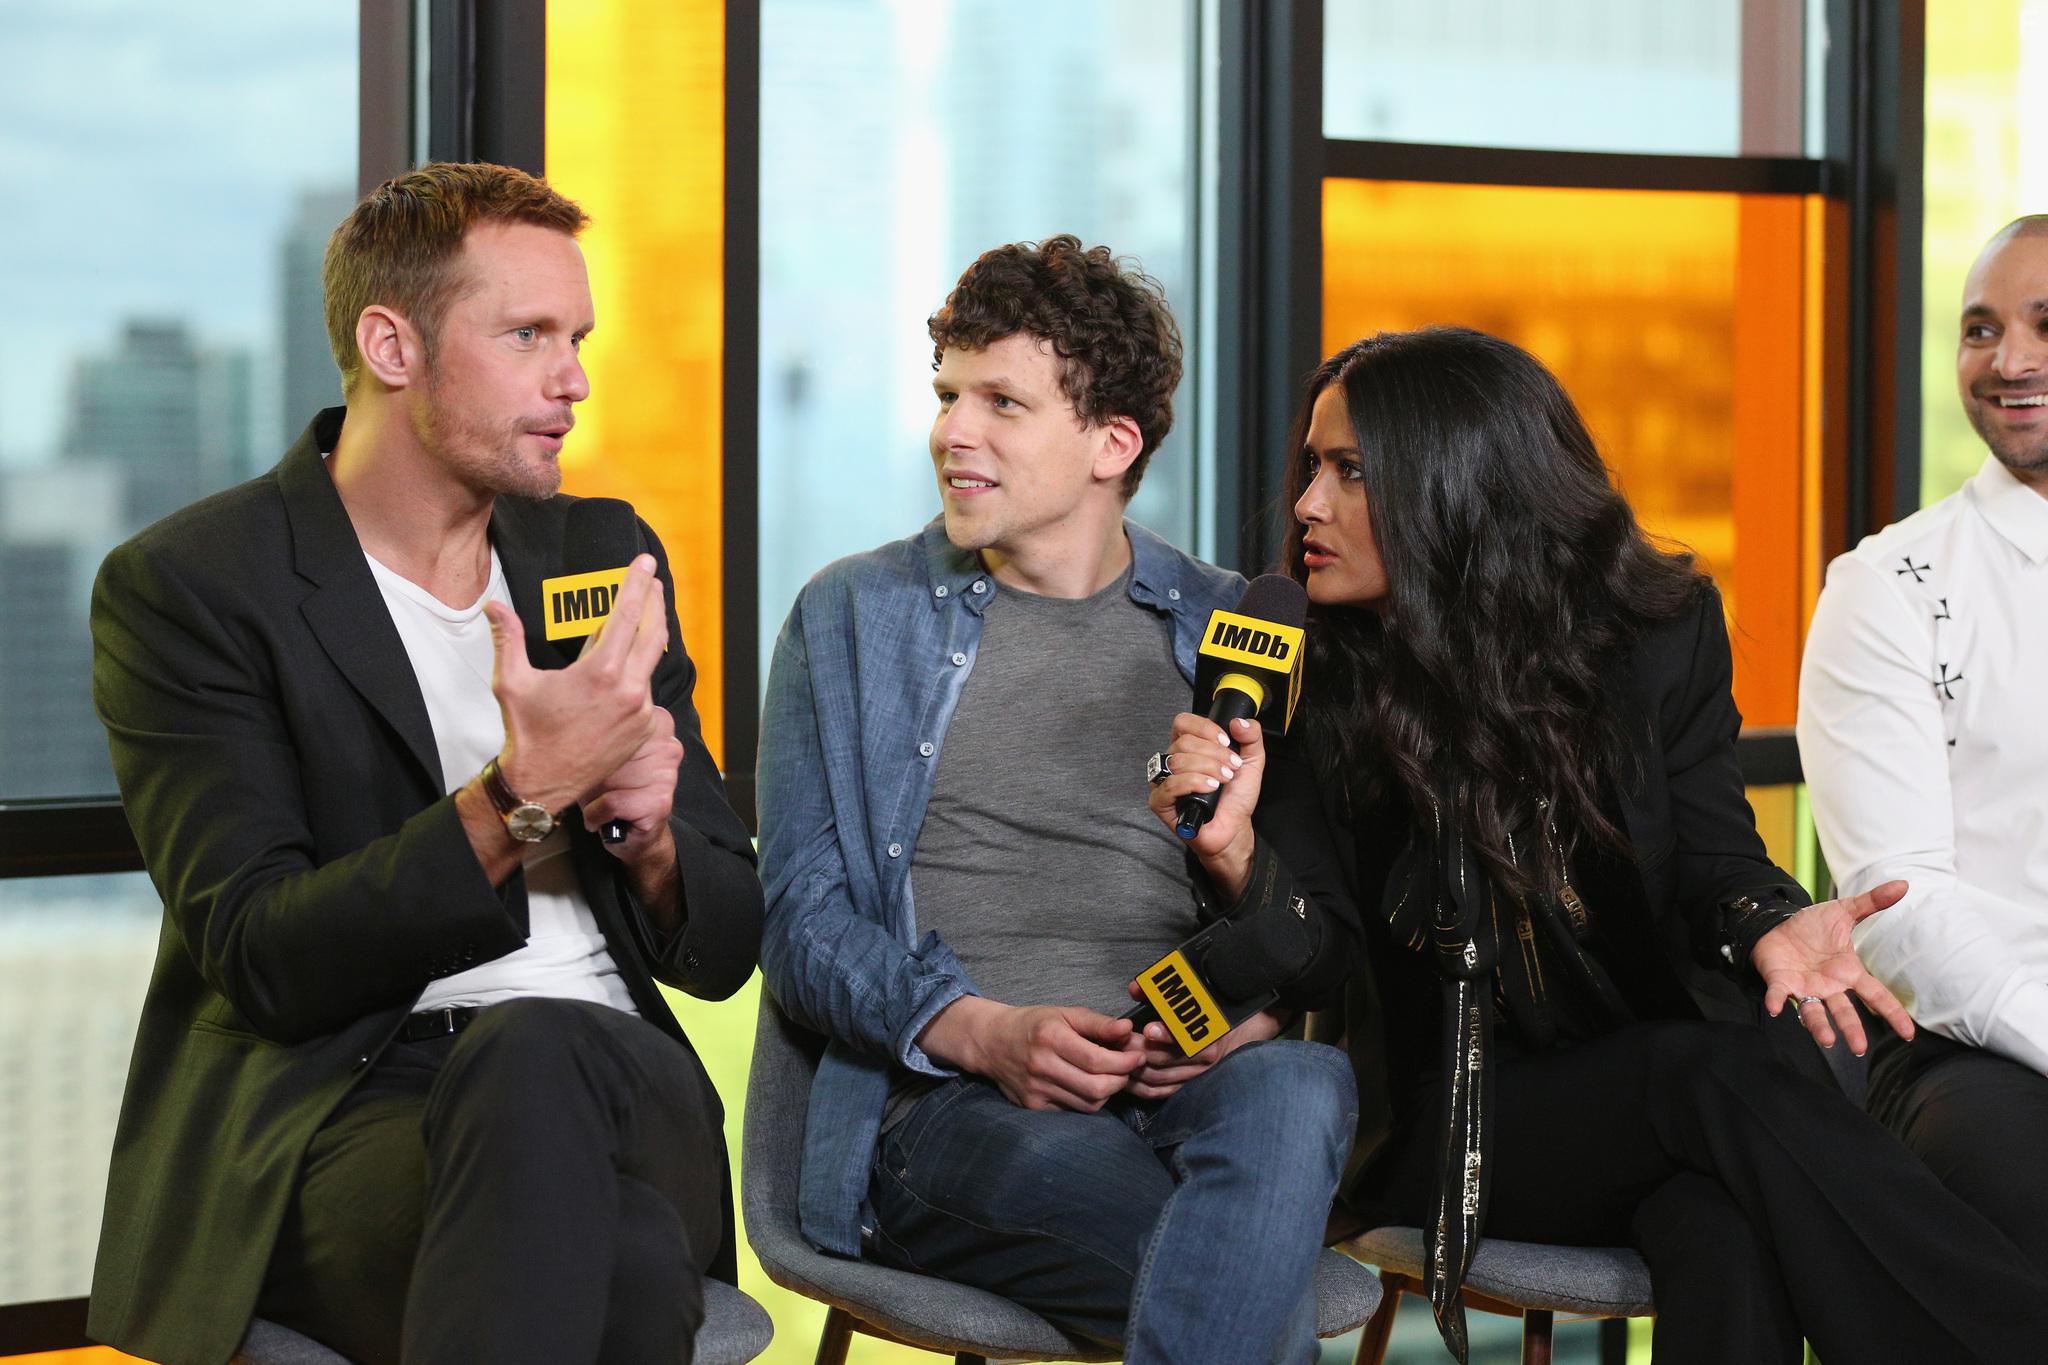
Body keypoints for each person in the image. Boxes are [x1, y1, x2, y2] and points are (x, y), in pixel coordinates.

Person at [1145, 325, 2048, 1364]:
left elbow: (1714, 856)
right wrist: (1231, 853)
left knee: (1721, 1226)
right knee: (1708, 1078)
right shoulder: (1309, 672)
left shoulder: (1655, 632)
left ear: (1461, 484)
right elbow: (1318, 956)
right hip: (1459, 1120)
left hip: (1670, 1097)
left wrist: (1766, 923)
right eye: (1313, 466)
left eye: (1349, 472)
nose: (1306, 503)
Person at [86, 163, 762, 1365]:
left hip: (617, 1087)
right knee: (624, 1270)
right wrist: (518, 797)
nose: (575, 381)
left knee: (536, 1047)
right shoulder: (193, 589)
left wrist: (651, 837)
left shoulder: (598, 554)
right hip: (343, 1108)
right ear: (391, 346)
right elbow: (263, 958)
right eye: (528, 336)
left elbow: (723, 947)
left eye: (578, 338)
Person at [756, 235, 1358, 1365]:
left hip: (1182, 1089)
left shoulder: (1234, 627)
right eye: (946, 397)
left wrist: (1253, 1012)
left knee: (1302, 1082)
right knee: (1204, 1249)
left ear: (1110, 443)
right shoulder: (850, 618)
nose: (951, 433)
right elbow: (799, 924)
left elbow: (1312, 922)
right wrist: (982, 1033)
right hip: (948, 1108)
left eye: (1001, 403)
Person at [1799, 215, 2048, 1277]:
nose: (2008, 362)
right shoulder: (1888, 588)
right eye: (1977, 329)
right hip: (1968, 1048)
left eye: (2043, 325)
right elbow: (1904, 912)